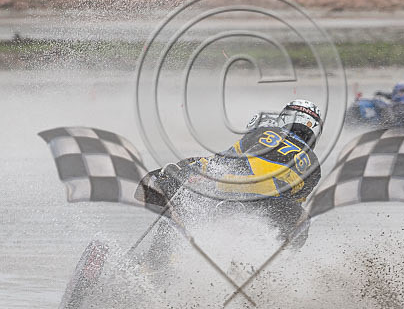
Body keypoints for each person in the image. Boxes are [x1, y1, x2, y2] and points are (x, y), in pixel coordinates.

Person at [138, 100, 323, 246]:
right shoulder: (314, 166)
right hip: (270, 206)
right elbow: (292, 203)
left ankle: (156, 262)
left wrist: (182, 171)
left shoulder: (265, 132)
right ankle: (275, 267)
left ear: (284, 118)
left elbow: (221, 162)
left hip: (230, 190)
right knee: (302, 222)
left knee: (176, 197)